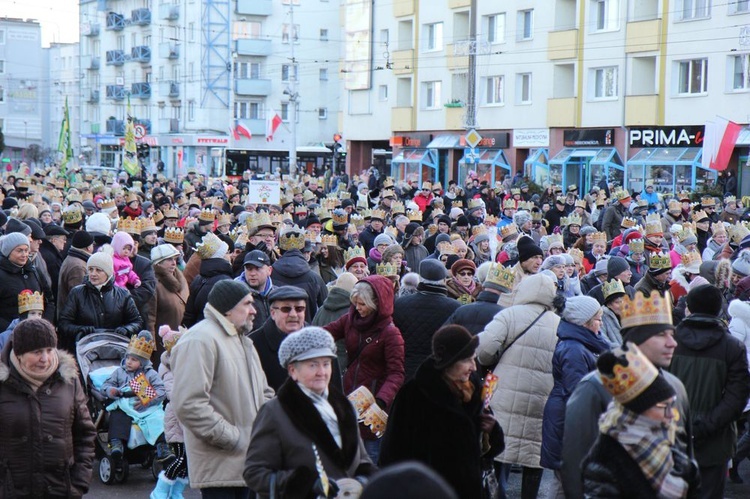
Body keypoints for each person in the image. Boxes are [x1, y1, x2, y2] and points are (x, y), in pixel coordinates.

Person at [560, 289, 693, 499]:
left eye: (672, 334)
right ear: (635, 341)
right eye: (661, 335)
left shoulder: (675, 387)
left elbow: (685, 456)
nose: (672, 343)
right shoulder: (594, 386)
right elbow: (575, 461)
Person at [243, 327, 377, 498]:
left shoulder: (344, 407)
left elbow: (362, 460)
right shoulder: (274, 412)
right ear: (293, 371)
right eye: (312, 365)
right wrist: (305, 484)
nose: (321, 372)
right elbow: (254, 473)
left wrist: (364, 480)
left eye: (326, 364)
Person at [171, 279, 275, 497]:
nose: (254, 311)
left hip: (248, 462)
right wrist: (232, 439)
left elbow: (263, 392)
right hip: (221, 466)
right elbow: (189, 404)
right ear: (228, 308)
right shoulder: (200, 340)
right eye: (247, 304)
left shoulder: (242, 340)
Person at [380, 325, 505, 499]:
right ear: (450, 362)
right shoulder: (413, 395)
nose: (474, 367)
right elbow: (392, 454)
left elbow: (487, 452)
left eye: (474, 359)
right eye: (467, 360)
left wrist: (492, 431)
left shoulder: (474, 392)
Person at [476, 273, 560, 499]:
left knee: (500, 448)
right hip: (542, 396)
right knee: (534, 455)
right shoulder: (558, 322)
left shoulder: (510, 315)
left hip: (505, 391)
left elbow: (483, 349)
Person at [582, 344, 700, 498]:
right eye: (663, 406)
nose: (672, 415)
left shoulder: (669, 446)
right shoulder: (604, 464)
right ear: (639, 412)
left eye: (672, 405)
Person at [669, 284, 750, 498]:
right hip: (716, 440)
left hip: (673, 437)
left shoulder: (669, 341)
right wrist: (706, 426)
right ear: (718, 310)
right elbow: (737, 397)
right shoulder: (732, 346)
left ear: (689, 308)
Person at [0, 318, 96, 497]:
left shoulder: (69, 381)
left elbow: (85, 435)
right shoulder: (3, 384)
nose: (45, 359)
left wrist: (79, 482)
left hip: (61, 490)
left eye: (50, 350)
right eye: (37, 352)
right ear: (19, 353)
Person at [323, 275, 405, 463]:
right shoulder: (350, 319)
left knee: (370, 460)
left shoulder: (391, 333)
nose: (357, 308)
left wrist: (381, 401)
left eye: (362, 304)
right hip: (349, 397)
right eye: (355, 303)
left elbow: (397, 373)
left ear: (377, 303)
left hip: (373, 406)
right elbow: (326, 332)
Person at [540, 295, 610, 495]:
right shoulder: (574, 348)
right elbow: (577, 391)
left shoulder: (583, 344)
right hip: (566, 419)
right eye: (598, 319)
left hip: (567, 416)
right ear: (584, 323)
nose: (601, 323)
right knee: (566, 480)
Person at [100, 330, 166, 467]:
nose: (129, 362)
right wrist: (111, 391)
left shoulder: (151, 374)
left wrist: (149, 401)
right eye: (128, 358)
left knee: (158, 418)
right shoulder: (119, 372)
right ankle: (116, 443)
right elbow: (106, 385)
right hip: (125, 404)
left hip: (145, 406)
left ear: (142, 363)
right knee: (118, 415)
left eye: (134, 359)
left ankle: (162, 446)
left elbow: (161, 390)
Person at [58, 251, 143, 352]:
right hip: (84, 352)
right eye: (90, 269)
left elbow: (137, 321)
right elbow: (64, 323)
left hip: (115, 351)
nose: (93, 274)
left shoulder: (123, 294)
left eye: (99, 270)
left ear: (108, 272)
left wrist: (127, 329)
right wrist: (80, 329)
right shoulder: (77, 293)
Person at [393, 260, 461, 379]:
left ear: (420, 278)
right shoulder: (455, 307)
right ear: (444, 280)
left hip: (406, 369)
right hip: (439, 371)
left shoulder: (400, 304)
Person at [151, 325, 190, 499]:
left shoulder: (186, 366)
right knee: (182, 458)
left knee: (188, 462)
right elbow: (175, 396)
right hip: (177, 419)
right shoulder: (169, 370)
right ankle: (160, 489)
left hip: (186, 418)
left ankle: (175, 492)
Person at [443, 263, 513, 335]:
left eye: (469, 274)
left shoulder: (461, 310)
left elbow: (443, 335)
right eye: (462, 274)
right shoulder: (506, 315)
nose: (466, 277)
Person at [148, 244, 189, 365]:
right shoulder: (154, 285)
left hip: (183, 341)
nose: (173, 263)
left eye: (175, 259)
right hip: (163, 346)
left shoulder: (181, 280)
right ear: (158, 263)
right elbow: (150, 319)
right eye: (169, 259)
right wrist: (152, 348)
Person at [0, 232, 49, 331]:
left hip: (37, 331)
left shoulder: (34, 271)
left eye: (26, 250)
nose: (24, 254)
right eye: (19, 251)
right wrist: (10, 329)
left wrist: (45, 323)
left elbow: (49, 300)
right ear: (8, 252)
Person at [183, 232, 233, 327]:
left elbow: (189, 314)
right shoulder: (224, 281)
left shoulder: (198, 278)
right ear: (220, 256)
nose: (229, 256)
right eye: (226, 252)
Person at [234, 250, 275, 331]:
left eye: (257, 269)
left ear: (269, 270)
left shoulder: (277, 294)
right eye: (249, 269)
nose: (252, 273)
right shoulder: (235, 295)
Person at [57, 230, 95, 315]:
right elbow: (80, 298)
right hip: (74, 318)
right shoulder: (78, 267)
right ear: (88, 247)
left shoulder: (73, 258)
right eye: (92, 244)